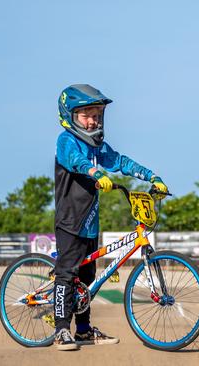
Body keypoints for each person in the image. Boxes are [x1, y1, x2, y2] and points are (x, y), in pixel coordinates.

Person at [54, 84, 168, 351]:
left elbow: (120, 161)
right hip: (70, 221)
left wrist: (152, 176)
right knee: (67, 274)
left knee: (87, 278)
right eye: (86, 115)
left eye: (96, 114)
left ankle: (83, 331)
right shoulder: (67, 141)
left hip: (90, 223)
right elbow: (75, 161)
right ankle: (61, 330)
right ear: (71, 116)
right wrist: (95, 173)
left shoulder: (98, 145)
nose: (93, 120)